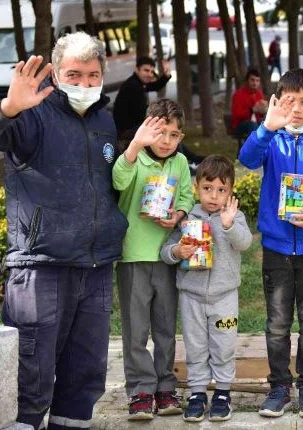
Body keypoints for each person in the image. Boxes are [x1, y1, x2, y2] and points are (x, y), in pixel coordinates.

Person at [0, 33, 129, 430]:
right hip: (41, 267)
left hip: (96, 266)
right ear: (55, 73)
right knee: (31, 377)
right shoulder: (31, 113)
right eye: (74, 74)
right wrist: (6, 108)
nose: (85, 83)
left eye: (92, 75)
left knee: (84, 376)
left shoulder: (104, 118)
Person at [238, 68, 303, 419]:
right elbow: (247, 159)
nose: (296, 108)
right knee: (278, 323)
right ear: (276, 102)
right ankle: (279, 386)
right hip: (277, 249)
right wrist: (267, 126)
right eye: (288, 101)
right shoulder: (272, 141)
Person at [112, 98, 194, 420]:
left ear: (181, 138)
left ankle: (165, 387)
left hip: (167, 256)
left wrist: (178, 215)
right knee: (136, 330)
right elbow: (118, 180)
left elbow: (187, 195)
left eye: (174, 135)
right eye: (160, 133)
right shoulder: (133, 160)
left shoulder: (181, 164)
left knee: (164, 326)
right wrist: (134, 146)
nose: (166, 141)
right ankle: (140, 391)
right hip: (133, 255)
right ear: (147, 129)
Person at [160, 155, 252, 422]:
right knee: (196, 346)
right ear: (196, 188)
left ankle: (223, 392)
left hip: (225, 299)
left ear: (230, 191)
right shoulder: (188, 218)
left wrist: (229, 225)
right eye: (207, 188)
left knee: (224, 345)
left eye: (221, 190)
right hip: (191, 297)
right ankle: (198, 392)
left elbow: (245, 243)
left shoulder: (235, 217)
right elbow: (166, 252)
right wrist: (178, 251)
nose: (214, 195)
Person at [113, 56, 172, 144]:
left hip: (131, 127)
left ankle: (192, 157)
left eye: (152, 71)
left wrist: (166, 75)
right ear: (137, 69)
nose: (150, 74)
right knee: (164, 130)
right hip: (126, 131)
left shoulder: (137, 82)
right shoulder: (134, 86)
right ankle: (192, 157)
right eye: (146, 70)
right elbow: (142, 114)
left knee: (167, 130)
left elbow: (155, 86)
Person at [230, 67, 268, 135]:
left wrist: (264, 111)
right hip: (239, 125)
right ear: (247, 81)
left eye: (257, 81)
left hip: (255, 123)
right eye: (252, 80)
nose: (255, 83)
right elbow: (237, 114)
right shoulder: (238, 95)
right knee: (253, 126)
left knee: (270, 125)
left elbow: (260, 115)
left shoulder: (259, 94)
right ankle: (253, 145)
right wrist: (252, 110)